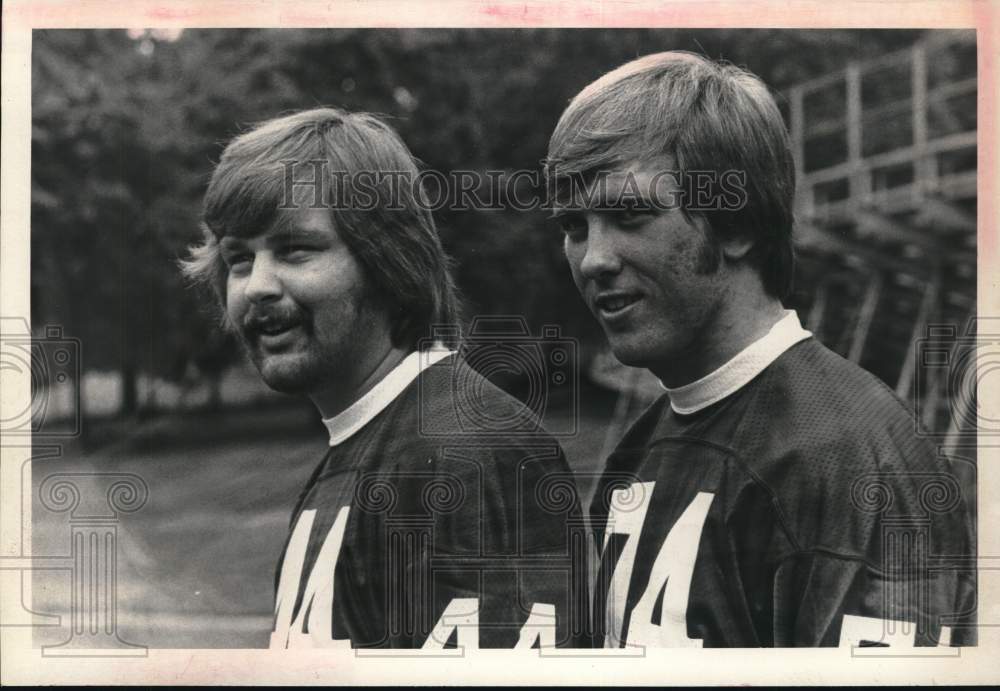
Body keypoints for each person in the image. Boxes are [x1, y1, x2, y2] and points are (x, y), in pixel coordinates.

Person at [545, 52, 975, 648]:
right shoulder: (639, 452)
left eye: (630, 214)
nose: (594, 258)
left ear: (737, 223)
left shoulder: (849, 460)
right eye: (574, 226)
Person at [182, 108, 586, 649]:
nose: (257, 286)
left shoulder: (467, 451)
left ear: (387, 259)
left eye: (295, 250)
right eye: (238, 259)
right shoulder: (358, 448)